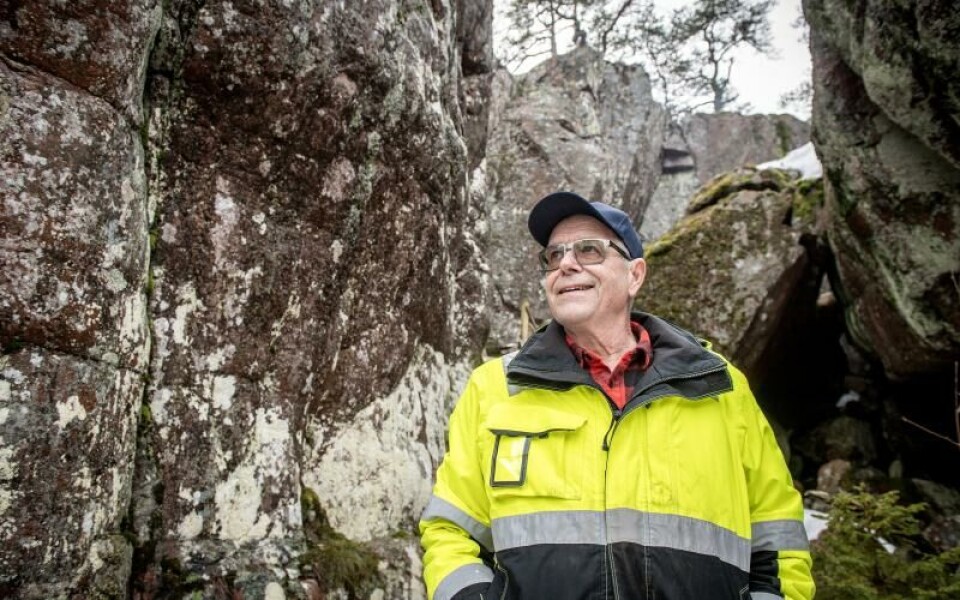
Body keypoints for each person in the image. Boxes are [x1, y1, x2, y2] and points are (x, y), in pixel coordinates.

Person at [419, 191, 814, 600]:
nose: (566, 264)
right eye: (554, 256)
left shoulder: (720, 387)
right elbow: (451, 530)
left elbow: (778, 536)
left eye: (589, 250)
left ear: (635, 275)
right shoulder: (494, 388)